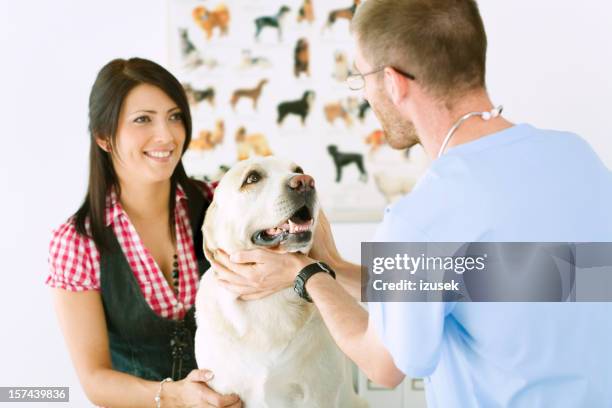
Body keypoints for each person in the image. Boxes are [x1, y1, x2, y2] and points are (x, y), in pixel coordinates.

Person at [208, 0, 612, 407]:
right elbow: (512, 282)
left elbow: (384, 365)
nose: (364, 92)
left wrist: (306, 272)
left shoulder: (422, 218)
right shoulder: (576, 156)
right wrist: (337, 268)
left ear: (394, 82)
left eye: (360, 77)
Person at [46, 58, 241, 408]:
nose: (166, 135)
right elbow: (95, 381)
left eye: (175, 116)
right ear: (104, 137)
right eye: (143, 119)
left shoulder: (220, 203)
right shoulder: (78, 243)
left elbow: (306, 235)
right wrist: (175, 395)